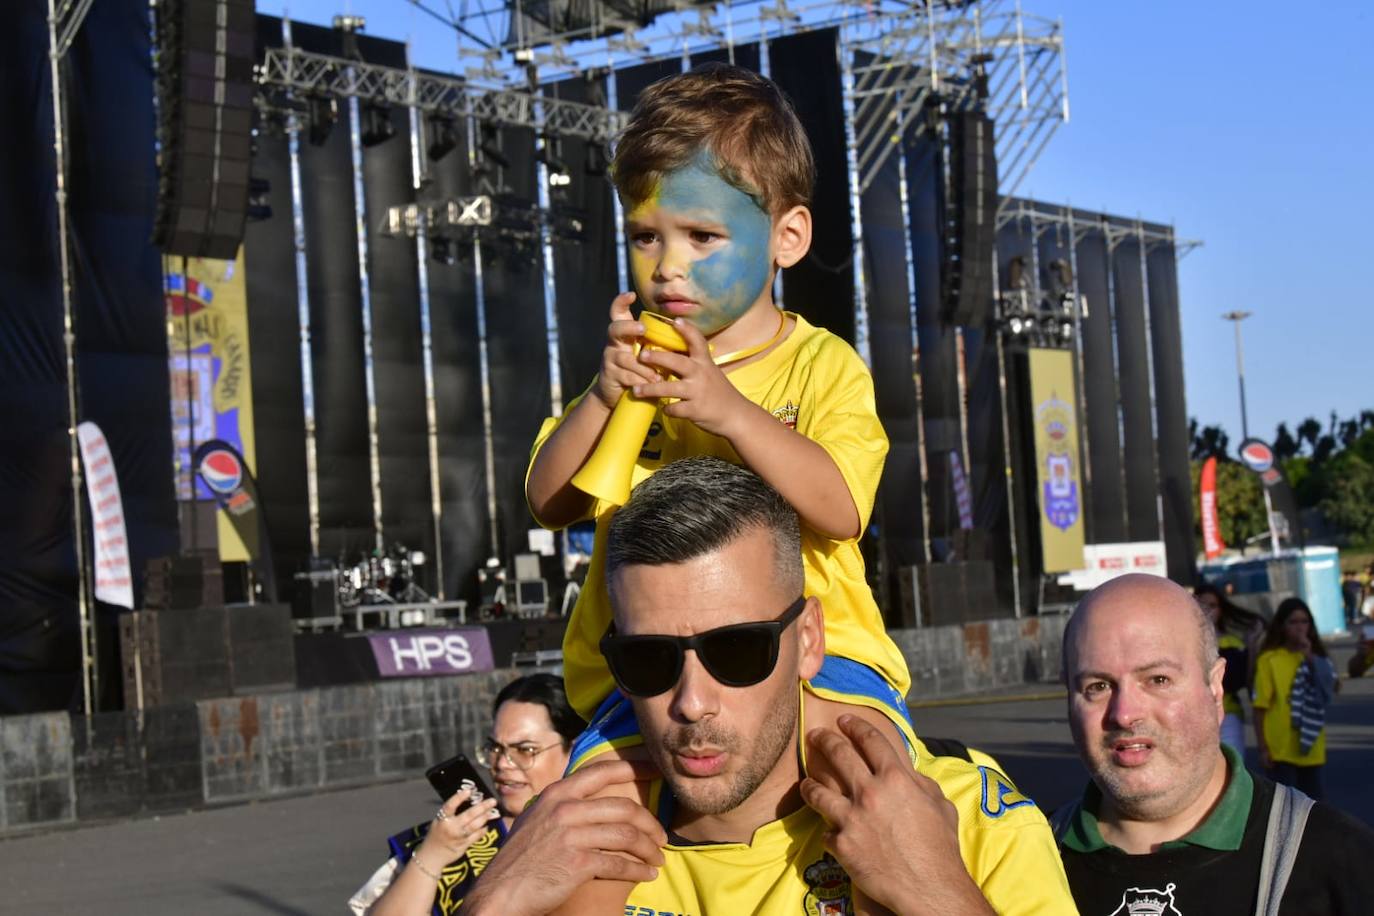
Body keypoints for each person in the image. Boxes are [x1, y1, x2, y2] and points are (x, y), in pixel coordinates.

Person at [471, 457, 1076, 915]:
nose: (691, 702)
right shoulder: (561, 855)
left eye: (737, 649)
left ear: (809, 639)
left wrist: (939, 893)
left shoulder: (968, 824)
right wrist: (489, 903)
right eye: (648, 659)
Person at [524, 64, 910, 746]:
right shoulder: (631, 365)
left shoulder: (822, 365)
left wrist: (727, 410)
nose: (668, 264)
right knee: (586, 815)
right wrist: (602, 398)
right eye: (647, 236)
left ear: (786, 238)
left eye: (702, 237)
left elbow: (843, 508)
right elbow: (550, 504)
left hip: (823, 668)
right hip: (643, 676)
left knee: (874, 786)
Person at [1055, 573, 1374, 914]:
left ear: (1215, 687)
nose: (1124, 714)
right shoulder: (1023, 858)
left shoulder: (1341, 862)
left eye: (1158, 679)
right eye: (1097, 686)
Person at [349, 674, 583, 916]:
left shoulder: (601, 831)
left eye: (525, 750)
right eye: (495, 748)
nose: (502, 763)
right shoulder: (452, 836)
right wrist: (431, 856)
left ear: (574, 749)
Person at [1253, 597, 1337, 800]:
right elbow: (1260, 707)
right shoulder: (1270, 659)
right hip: (1280, 746)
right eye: (1293, 622)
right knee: (1282, 804)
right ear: (1282, 626)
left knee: (1315, 806)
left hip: (1310, 744)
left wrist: (1310, 658)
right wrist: (1263, 748)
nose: (1299, 628)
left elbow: (1330, 689)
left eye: (1304, 622)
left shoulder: (1317, 659)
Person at [1194, 582, 1264, 753]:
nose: (1208, 611)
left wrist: (1252, 648)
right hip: (1193, 715)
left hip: (1228, 712)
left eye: (1213, 606)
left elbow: (1246, 681)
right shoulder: (1181, 642)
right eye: (1202, 605)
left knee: (1232, 764)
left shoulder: (1233, 643)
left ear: (1221, 609)